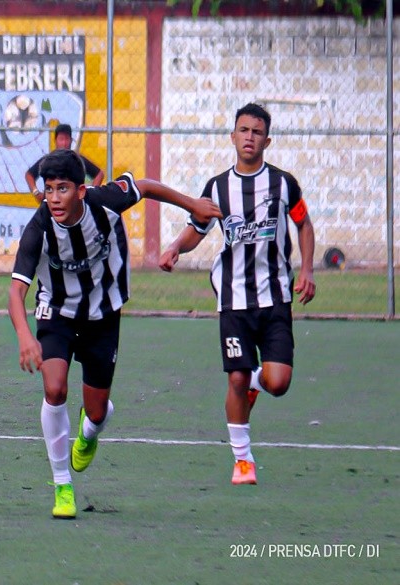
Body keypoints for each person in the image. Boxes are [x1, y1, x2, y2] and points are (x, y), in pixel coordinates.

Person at [8, 149, 222, 518]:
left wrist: (192, 205)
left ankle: (89, 432)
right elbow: (15, 292)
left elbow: (146, 186)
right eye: (48, 190)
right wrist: (26, 337)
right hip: (57, 312)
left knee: (96, 411)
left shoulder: (104, 201)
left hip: (103, 313)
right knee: (54, 387)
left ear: (81, 191)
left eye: (62, 189)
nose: (54, 198)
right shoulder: (38, 228)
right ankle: (62, 486)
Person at [159, 102, 316, 486]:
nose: (249, 137)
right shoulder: (216, 188)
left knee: (278, 382)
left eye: (257, 132)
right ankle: (242, 459)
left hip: (276, 297)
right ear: (233, 136)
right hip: (233, 300)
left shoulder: (283, 184)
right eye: (243, 130)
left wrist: (308, 270)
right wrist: (177, 247)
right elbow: (198, 227)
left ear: (267, 139)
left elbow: (304, 224)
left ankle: (254, 383)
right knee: (235, 379)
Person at [25, 123, 104, 203]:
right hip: (50, 204)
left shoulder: (77, 160)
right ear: (55, 141)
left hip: (73, 206)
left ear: (71, 140)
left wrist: (89, 194)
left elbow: (99, 174)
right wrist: (36, 192)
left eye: (67, 139)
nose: (64, 143)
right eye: (61, 139)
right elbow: (29, 175)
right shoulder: (47, 160)